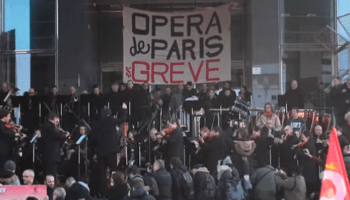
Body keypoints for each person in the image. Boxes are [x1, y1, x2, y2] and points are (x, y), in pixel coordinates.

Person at [89, 107, 127, 196]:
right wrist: (124, 110)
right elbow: (123, 120)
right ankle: (114, 188)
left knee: (102, 172)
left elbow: (92, 138)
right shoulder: (112, 120)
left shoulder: (97, 123)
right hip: (112, 151)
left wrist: (94, 149)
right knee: (113, 170)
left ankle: (103, 193)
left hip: (101, 152)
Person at [41, 112, 69, 178]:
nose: (57, 123)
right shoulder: (49, 128)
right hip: (51, 156)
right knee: (51, 174)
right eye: (57, 120)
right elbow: (58, 136)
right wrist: (66, 135)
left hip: (50, 155)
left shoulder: (48, 127)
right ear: (54, 118)